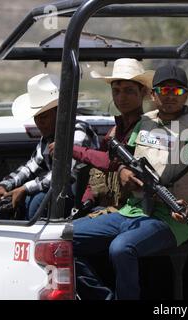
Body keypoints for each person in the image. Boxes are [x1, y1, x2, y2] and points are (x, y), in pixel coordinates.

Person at [72, 65, 188, 299]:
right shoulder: (145, 122)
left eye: (177, 92)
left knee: (121, 248)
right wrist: (125, 171)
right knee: (62, 239)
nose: (169, 96)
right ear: (153, 94)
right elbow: (125, 157)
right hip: (131, 210)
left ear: (186, 95)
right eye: (164, 90)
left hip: (172, 218)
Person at [0, 73, 99, 220]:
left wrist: (25, 188)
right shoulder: (47, 138)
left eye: (44, 117)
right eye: (37, 118)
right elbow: (30, 167)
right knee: (3, 202)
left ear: (60, 112)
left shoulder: (78, 131)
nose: (39, 123)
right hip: (60, 191)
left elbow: (64, 173)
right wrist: (4, 185)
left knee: (39, 201)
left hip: (81, 196)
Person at [61, 58, 154, 213]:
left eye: (129, 90)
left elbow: (110, 161)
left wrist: (71, 149)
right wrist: (86, 201)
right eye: (116, 91)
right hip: (106, 206)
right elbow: (98, 172)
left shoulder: (147, 129)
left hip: (131, 209)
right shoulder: (114, 131)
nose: (121, 97)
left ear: (143, 92)